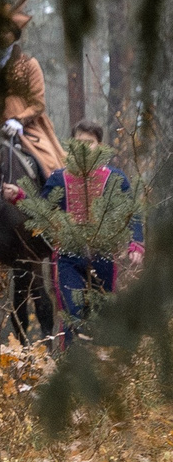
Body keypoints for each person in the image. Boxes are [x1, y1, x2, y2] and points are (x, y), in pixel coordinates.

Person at [45, 118, 145, 338]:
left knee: (102, 317)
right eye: (79, 142)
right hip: (67, 258)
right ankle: (71, 366)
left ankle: (102, 366)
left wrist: (135, 244)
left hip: (104, 257)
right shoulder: (58, 178)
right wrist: (19, 197)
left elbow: (132, 212)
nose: (84, 147)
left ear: (99, 146)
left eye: (89, 142)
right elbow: (40, 209)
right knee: (73, 314)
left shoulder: (115, 178)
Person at [0, 0, 69, 181]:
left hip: (26, 128)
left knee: (51, 165)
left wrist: (18, 120)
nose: (0, 35)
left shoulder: (30, 64)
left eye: (5, 31)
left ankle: (54, 206)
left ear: (14, 35)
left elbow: (38, 104)